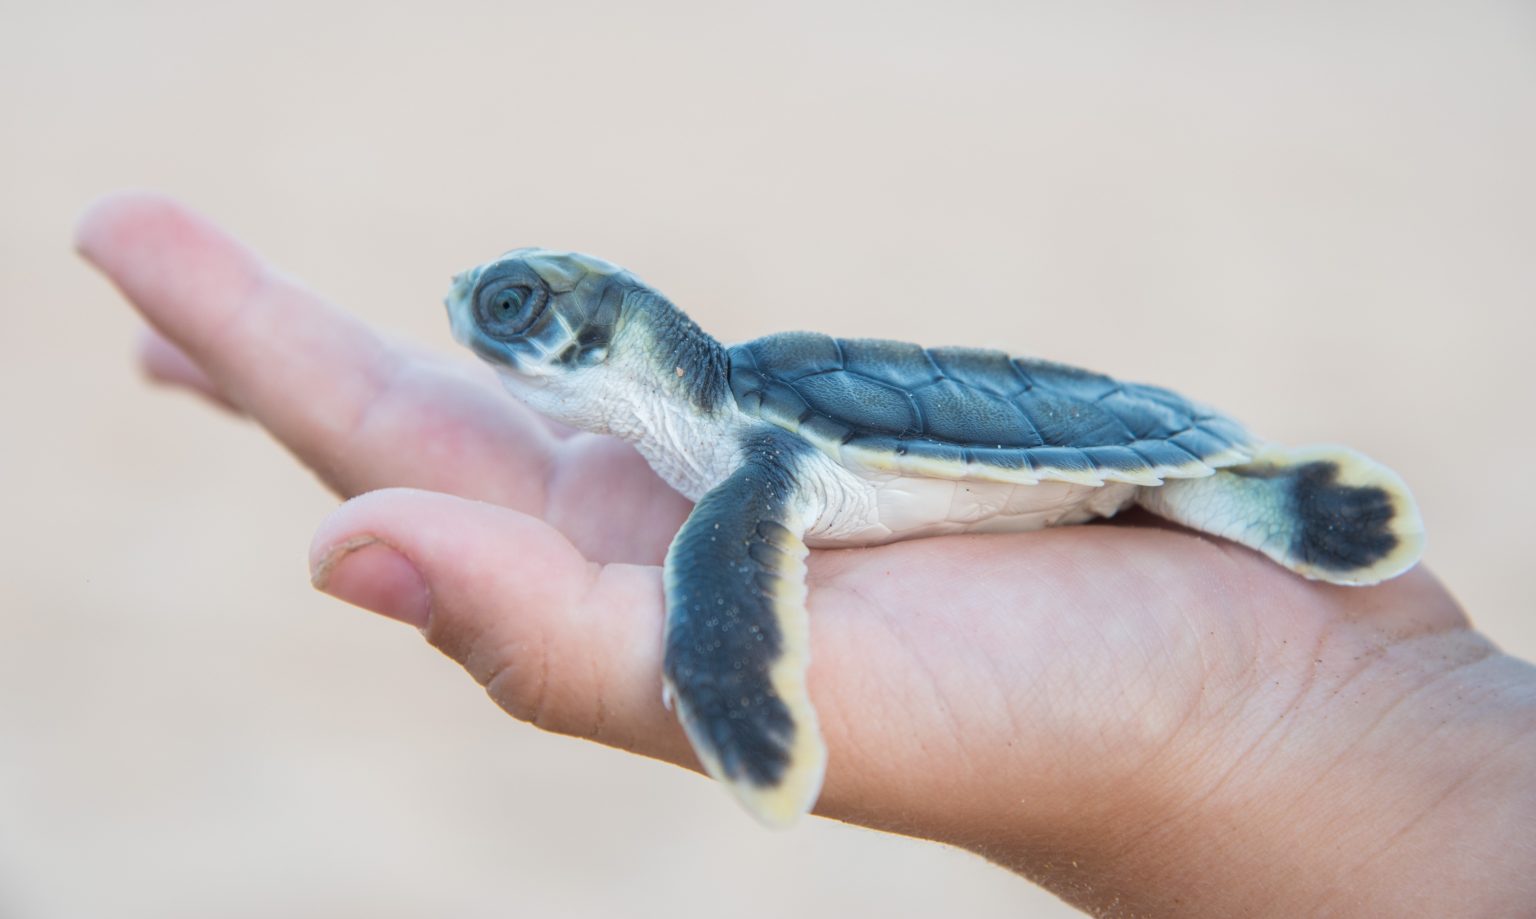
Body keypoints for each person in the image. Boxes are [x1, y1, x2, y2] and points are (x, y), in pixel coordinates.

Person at [78, 192, 1535, 916]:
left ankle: (1245, 495)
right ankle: (1245, 493)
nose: (481, 310)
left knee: (1138, 487)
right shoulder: (713, 432)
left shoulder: (757, 444)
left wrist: (736, 679)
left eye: (517, 306)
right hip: (969, 443)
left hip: (1076, 449)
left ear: (604, 339)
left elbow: (749, 549)